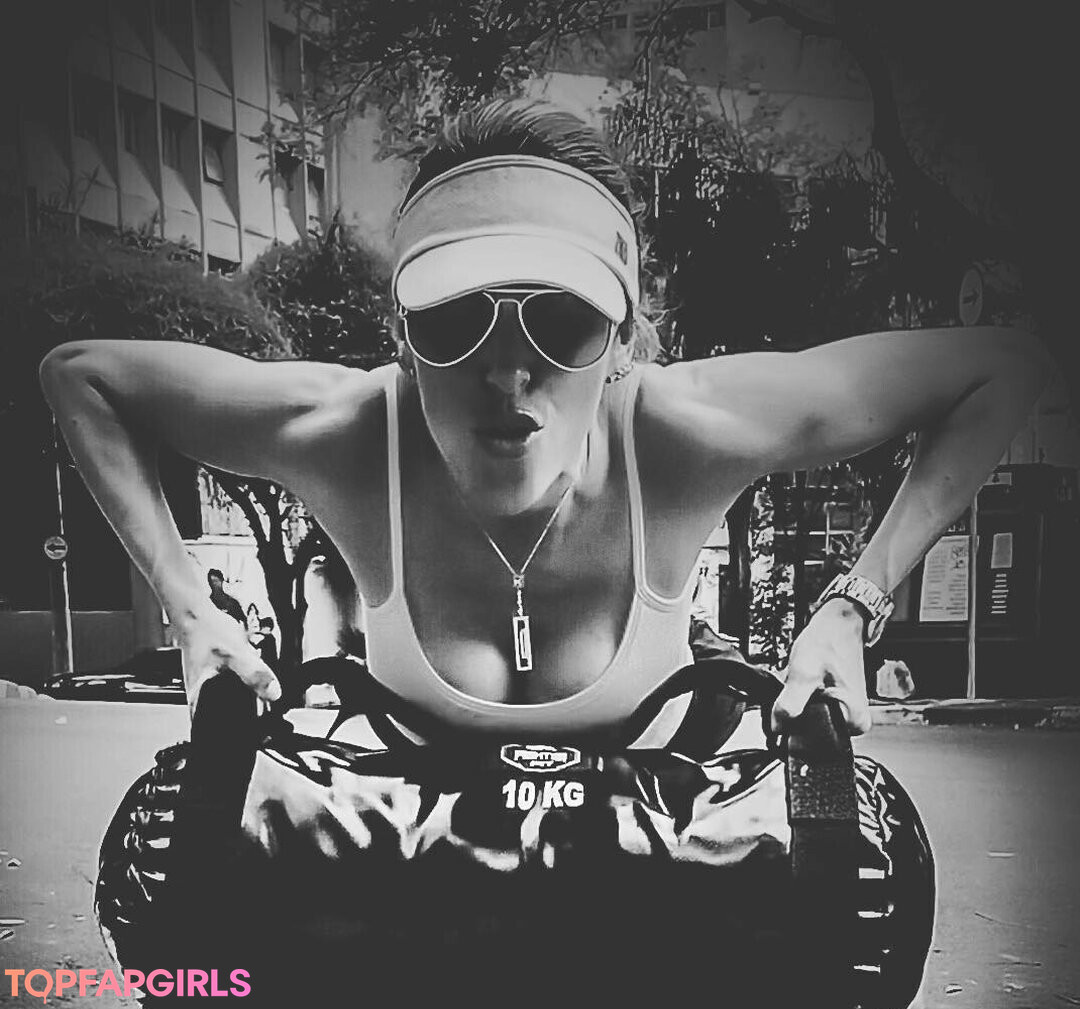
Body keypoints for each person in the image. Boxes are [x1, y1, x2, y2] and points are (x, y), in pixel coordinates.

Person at [39, 98, 1051, 741]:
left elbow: (1000, 369)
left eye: (562, 320)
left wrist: (852, 607)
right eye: (457, 320)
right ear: (402, 335)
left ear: (622, 339)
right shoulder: (352, 435)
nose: (508, 371)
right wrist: (190, 610)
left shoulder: (680, 430)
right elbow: (82, 378)